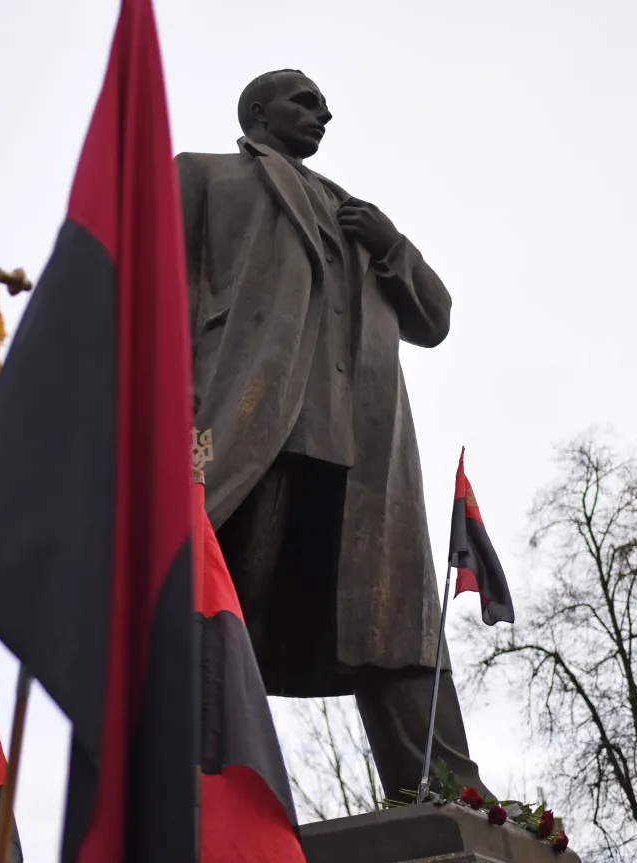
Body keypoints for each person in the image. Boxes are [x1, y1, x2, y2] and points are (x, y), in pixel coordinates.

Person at [176, 69, 490, 800]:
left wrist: (392, 245)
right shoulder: (206, 176)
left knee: (397, 621)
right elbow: (154, 289)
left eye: (323, 104)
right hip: (251, 427)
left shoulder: (356, 215)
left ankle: (447, 786)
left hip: (365, 450)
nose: (323, 114)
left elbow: (434, 320)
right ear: (259, 112)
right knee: (219, 608)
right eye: (305, 101)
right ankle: (197, 786)